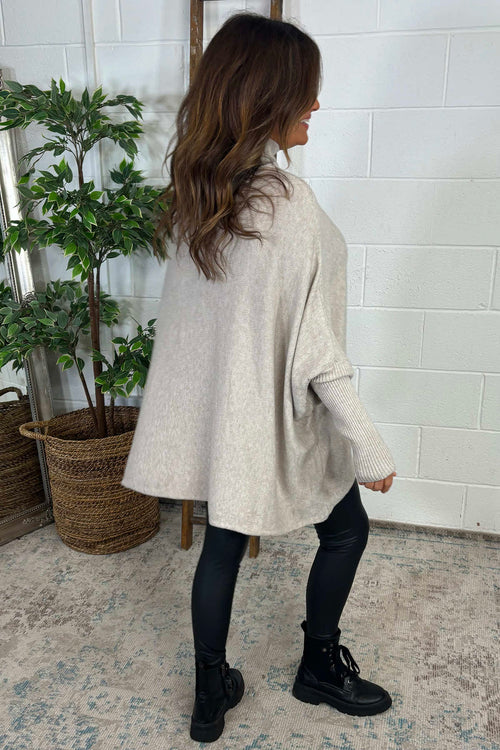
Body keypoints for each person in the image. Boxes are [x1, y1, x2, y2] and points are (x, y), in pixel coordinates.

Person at [121, 11, 397, 744]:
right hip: (275, 421)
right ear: (269, 97)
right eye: (307, 92)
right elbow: (317, 351)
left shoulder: (201, 200)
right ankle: (318, 666)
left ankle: (209, 695)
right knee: (346, 530)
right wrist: (368, 444)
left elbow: (194, 338)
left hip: (226, 426)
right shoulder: (287, 205)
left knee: (221, 547)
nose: (317, 105)